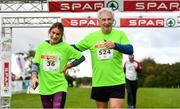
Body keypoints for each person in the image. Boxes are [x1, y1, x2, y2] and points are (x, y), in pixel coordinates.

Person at [72, 8, 133, 108]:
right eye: (103, 20)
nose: (107, 22)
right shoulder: (91, 37)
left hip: (116, 81)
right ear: (98, 21)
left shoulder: (120, 34)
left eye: (109, 19)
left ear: (113, 20)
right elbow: (75, 48)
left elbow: (130, 49)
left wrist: (115, 45)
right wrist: (59, 45)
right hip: (99, 82)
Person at [31, 22, 85, 108]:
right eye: (53, 33)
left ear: (61, 35)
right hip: (44, 86)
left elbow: (81, 57)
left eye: (58, 34)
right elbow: (35, 63)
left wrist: (68, 65)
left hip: (59, 85)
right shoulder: (41, 46)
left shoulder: (66, 48)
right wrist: (34, 76)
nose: (55, 36)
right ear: (49, 32)